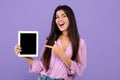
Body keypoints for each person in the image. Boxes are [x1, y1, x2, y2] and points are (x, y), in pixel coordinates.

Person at [14, 5, 87, 80]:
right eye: (57, 17)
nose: (59, 19)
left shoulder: (80, 43)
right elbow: (41, 66)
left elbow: (79, 71)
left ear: (70, 18)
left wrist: (61, 54)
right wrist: (22, 54)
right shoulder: (50, 40)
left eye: (63, 16)